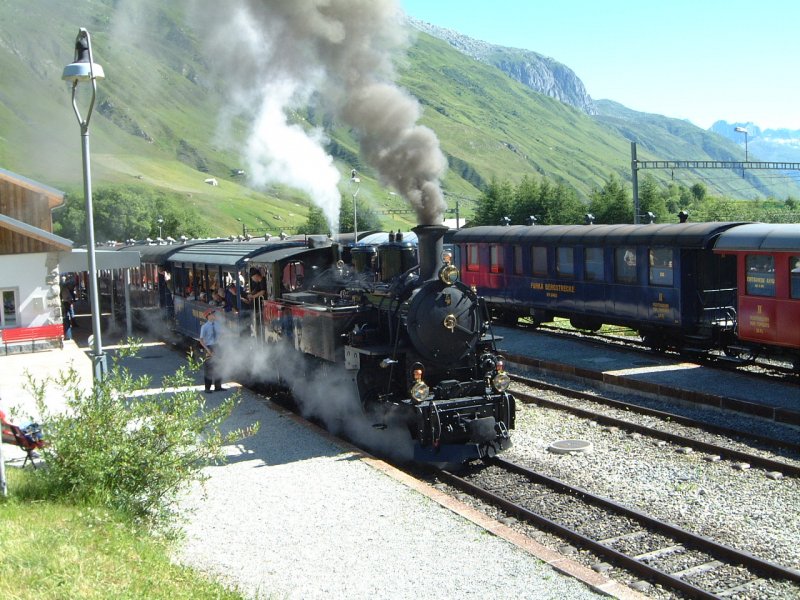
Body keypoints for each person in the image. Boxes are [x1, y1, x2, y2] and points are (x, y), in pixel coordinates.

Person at [199, 308, 225, 393]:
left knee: (219, 366)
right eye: (213, 314)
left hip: (217, 346)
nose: (214, 315)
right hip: (209, 346)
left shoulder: (217, 325)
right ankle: (207, 388)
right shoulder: (205, 326)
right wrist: (207, 350)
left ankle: (218, 386)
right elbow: (201, 340)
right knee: (209, 368)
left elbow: (221, 335)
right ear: (208, 316)